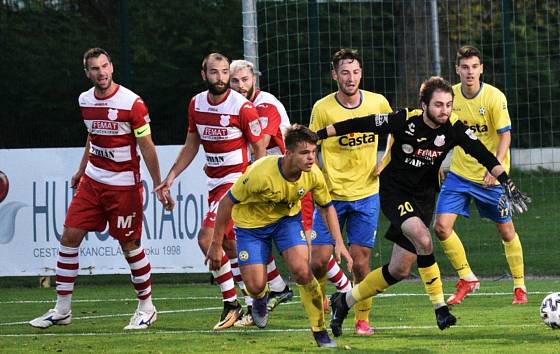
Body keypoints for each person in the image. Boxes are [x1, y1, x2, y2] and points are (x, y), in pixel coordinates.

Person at [318, 76, 530, 337]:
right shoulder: (405, 120)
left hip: (423, 200)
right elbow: (360, 123)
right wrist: (316, 136)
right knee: (424, 239)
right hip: (395, 193)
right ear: (424, 105)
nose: (445, 110)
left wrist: (506, 181)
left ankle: (345, 301)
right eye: (439, 105)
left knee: (398, 270)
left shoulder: (454, 129)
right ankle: (440, 308)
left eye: (449, 105)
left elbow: (483, 154)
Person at [29, 47, 173, 330]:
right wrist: (82, 169)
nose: (101, 72)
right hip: (93, 182)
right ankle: (62, 309)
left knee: (129, 245)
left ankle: (147, 307)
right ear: (87, 73)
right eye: (95, 68)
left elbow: (147, 146)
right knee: (69, 236)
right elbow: (92, 136)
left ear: (112, 67)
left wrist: (159, 184)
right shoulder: (84, 100)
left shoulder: (132, 103)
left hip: (124, 187)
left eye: (105, 66)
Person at [205, 125, 353, 348]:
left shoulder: (313, 174)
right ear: (288, 153)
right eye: (305, 153)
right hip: (250, 228)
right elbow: (226, 203)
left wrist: (339, 242)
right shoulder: (260, 173)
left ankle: (319, 331)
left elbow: (326, 207)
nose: (311, 158)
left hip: (286, 222)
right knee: (255, 286)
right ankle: (260, 298)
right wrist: (216, 245)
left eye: (314, 152)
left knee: (303, 271)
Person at [154, 52, 267, 330]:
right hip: (213, 183)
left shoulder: (242, 107)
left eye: (225, 72)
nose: (221, 78)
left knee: (207, 239)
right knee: (229, 247)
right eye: (215, 72)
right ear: (204, 75)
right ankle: (255, 303)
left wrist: (253, 185)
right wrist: (170, 177)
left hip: (236, 183)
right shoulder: (196, 104)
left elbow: (260, 151)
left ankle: (231, 304)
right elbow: (192, 144)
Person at [433, 45, 528, 305]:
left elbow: (505, 135)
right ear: (457, 70)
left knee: (506, 231)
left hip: (491, 177)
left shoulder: (494, 97)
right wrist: (441, 162)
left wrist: (494, 167)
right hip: (460, 175)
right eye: (465, 67)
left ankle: (519, 286)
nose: (470, 72)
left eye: (474, 66)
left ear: (481, 69)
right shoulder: (449, 97)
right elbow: (442, 132)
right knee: (441, 227)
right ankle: (466, 277)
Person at [308, 48, 392, 336]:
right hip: (330, 196)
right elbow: (312, 147)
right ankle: (321, 304)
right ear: (335, 75)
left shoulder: (377, 102)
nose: (351, 77)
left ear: (361, 74)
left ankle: (361, 320)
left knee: (360, 262)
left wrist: (386, 159)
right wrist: (318, 178)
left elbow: (397, 130)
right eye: (344, 72)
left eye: (355, 71)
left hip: (367, 194)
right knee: (317, 260)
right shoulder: (322, 108)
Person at [227, 59, 294, 326]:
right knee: (243, 235)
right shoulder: (234, 106)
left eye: (245, 79)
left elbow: (260, 147)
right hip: (267, 181)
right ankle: (275, 287)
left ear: (254, 78)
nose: (241, 86)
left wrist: (254, 185)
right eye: (235, 81)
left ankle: (344, 294)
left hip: (284, 183)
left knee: (313, 257)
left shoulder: (265, 104)